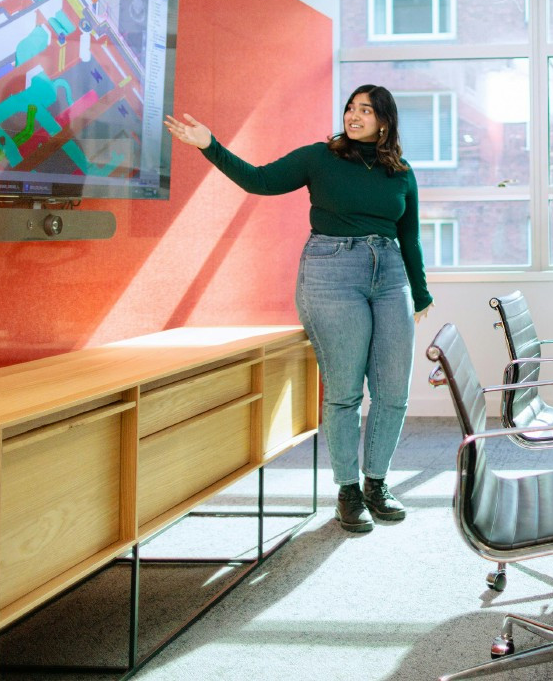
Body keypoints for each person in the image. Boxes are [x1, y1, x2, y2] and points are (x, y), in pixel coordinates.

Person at [165, 84, 433, 536]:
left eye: (365, 110)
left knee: (392, 391)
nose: (353, 115)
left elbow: (410, 236)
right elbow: (260, 180)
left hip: (390, 278)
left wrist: (420, 295)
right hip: (332, 275)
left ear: (384, 121)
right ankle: (348, 491)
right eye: (350, 107)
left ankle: (376, 483)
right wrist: (209, 145)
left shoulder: (400, 171)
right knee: (345, 390)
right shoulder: (320, 157)